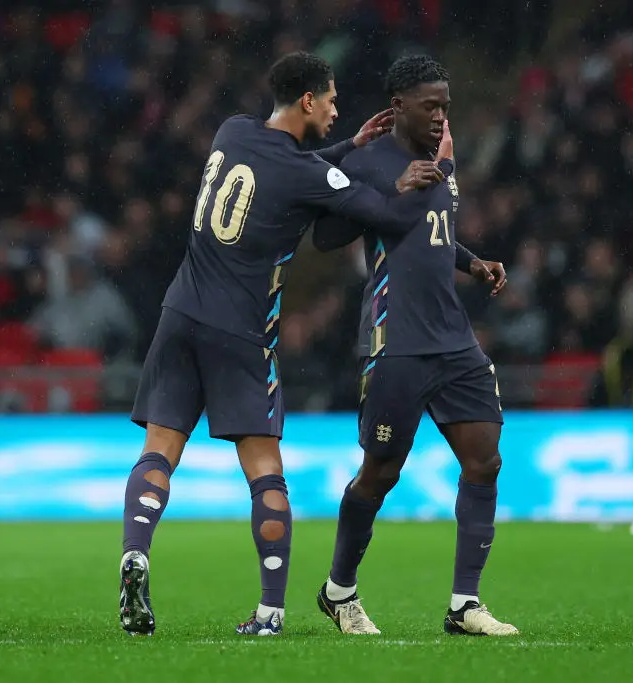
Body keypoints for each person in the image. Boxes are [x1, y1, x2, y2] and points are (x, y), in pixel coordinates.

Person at [119, 51, 454, 638]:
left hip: (179, 315)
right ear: (307, 100)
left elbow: (284, 168)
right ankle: (272, 610)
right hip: (242, 333)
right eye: (329, 99)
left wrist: (347, 147)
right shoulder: (308, 174)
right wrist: (414, 181)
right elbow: (379, 213)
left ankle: (136, 553)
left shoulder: (233, 131)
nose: (334, 108)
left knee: (158, 452)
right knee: (265, 471)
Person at [311, 54, 519, 636]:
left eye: (446, 108)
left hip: (454, 340)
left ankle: (464, 605)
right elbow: (327, 236)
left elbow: (434, 234)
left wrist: (472, 262)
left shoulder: (441, 163)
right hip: (395, 340)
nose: (441, 118)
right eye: (432, 107)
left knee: (485, 459)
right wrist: (391, 194)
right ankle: (339, 591)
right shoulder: (367, 161)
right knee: (381, 471)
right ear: (398, 106)